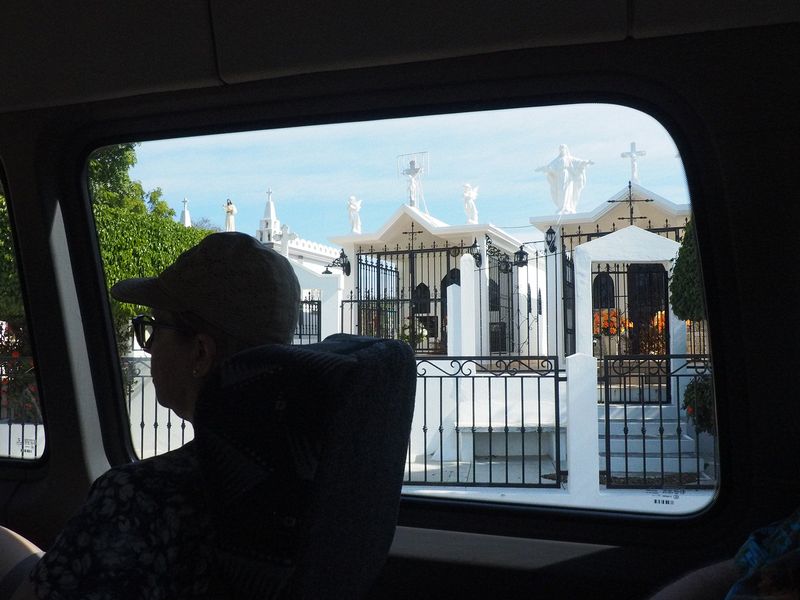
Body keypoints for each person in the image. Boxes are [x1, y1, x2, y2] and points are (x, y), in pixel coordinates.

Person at [31, 232, 301, 599]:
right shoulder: (312, 479)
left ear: (200, 354)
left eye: (155, 328)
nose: (151, 345)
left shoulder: (138, 500)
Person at [535, 144, 594, 214]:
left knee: (567, 191)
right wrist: (542, 169)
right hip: (559, 178)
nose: (562, 150)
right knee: (560, 192)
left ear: (566, 149)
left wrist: (586, 162)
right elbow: (549, 167)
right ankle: (561, 207)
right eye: (560, 148)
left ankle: (567, 207)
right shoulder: (557, 160)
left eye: (563, 148)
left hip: (568, 178)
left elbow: (579, 162)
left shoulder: (570, 159)